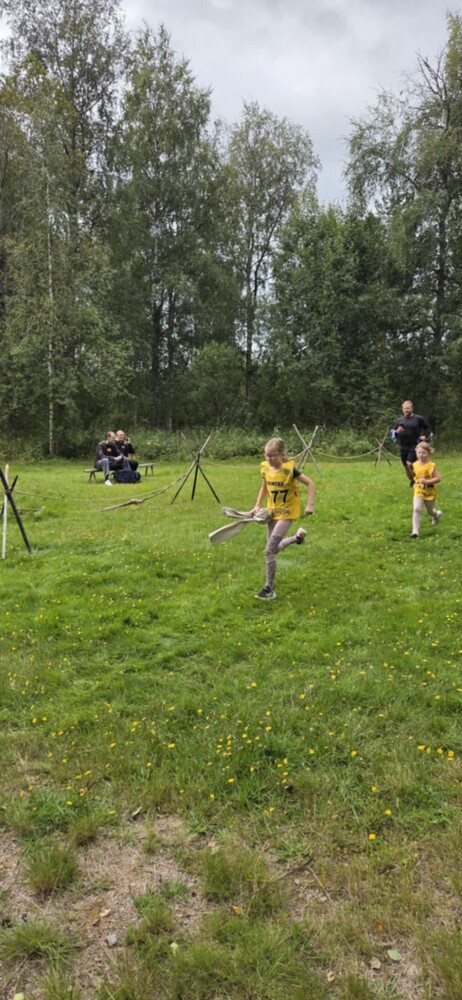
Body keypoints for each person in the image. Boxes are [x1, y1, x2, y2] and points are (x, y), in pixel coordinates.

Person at [250, 437, 315, 600]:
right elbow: (264, 487)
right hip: (272, 513)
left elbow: (310, 484)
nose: (269, 458)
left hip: (287, 513)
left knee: (269, 550)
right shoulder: (265, 469)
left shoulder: (290, 470)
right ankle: (296, 538)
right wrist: (257, 505)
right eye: (266, 455)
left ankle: (269, 589)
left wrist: (310, 505)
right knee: (275, 549)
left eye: (272, 455)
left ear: (281, 454)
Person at [391, 400, 432, 484]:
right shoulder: (399, 420)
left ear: (412, 408)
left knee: (409, 463)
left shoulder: (419, 419)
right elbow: (392, 433)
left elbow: (428, 428)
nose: (406, 410)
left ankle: (418, 480)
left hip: (415, 445)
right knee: (406, 466)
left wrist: (425, 436)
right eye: (404, 408)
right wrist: (397, 432)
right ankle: (412, 481)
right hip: (403, 445)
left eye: (408, 408)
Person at [410, 440, 442, 538]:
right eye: (419, 452)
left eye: (424, 453)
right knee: (416, 509)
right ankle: (415, 531)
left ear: (429, 453)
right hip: (418, 490)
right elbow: (416, 476)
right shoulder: (415, 464)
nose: (421, 455)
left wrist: (427, 481)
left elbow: (438, 478)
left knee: (429, 511)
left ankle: (436, 515)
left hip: (430, 491)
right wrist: (416, 482)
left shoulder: (431, 465)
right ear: (416, 452)